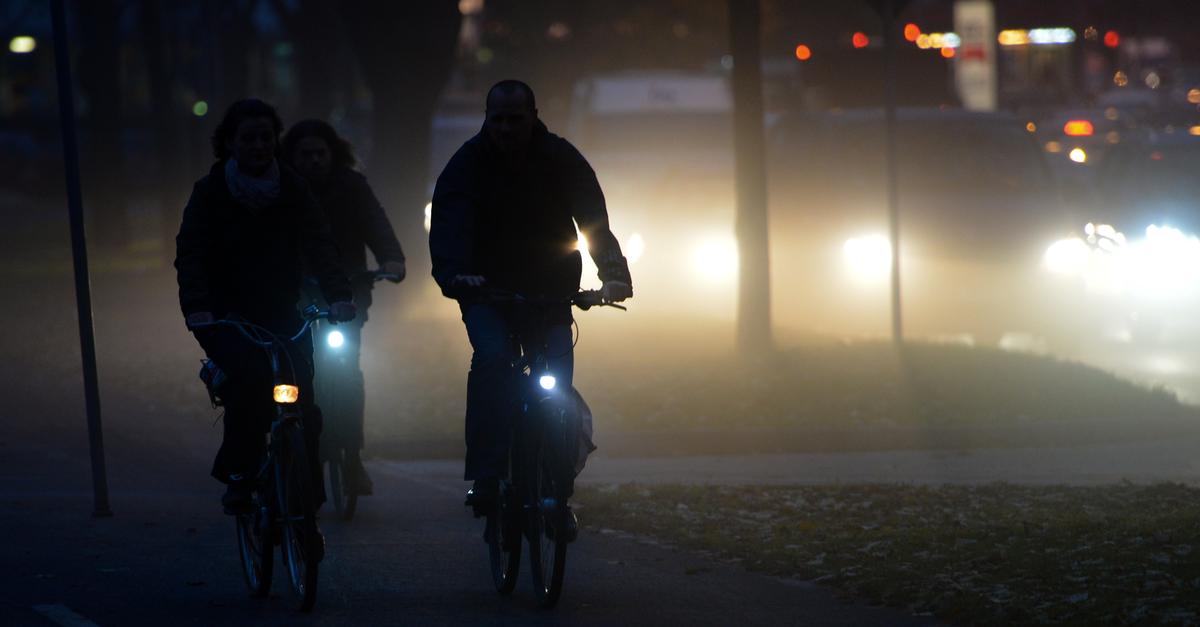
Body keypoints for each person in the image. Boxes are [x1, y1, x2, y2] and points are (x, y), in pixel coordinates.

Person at [429, 80, 633, 519]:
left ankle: (558, 489)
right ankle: (486, 476)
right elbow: (449, 226)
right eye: (497, 119)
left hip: (550, 291)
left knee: (558, 382)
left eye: (515, 119)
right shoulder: (466, 164)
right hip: (486, 290)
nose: (505, 128)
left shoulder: (562, 159)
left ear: (534, 116)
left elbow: (594, 221)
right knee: (492, 358)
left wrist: (613, 274)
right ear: (487, 118)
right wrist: (455, 274)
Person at [175, 99, 357, 513]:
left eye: (265, 137)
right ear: (229, 143)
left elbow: (320, 243)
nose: (258, 145)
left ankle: (307, 498)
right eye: (248, 138)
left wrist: (339, 296)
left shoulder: (292, 187)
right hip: (226, 315)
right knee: (250, 384)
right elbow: (191, 252)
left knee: (304, 401)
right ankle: (239, 475)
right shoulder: (211, 192)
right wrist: (198, 306)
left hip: (281, 311)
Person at [283, 119, 406, 495]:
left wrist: (391, 259)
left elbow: (376, 224)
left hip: (347, 294)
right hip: (297, 295)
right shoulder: (283, 187)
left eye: (321, 153)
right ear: (291, 157)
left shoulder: (352, 186)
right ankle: (300, 453)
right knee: (298, 375)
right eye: (305, 154)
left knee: (348, 373)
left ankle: (352, 455)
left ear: (334, 154)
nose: (314, 160)